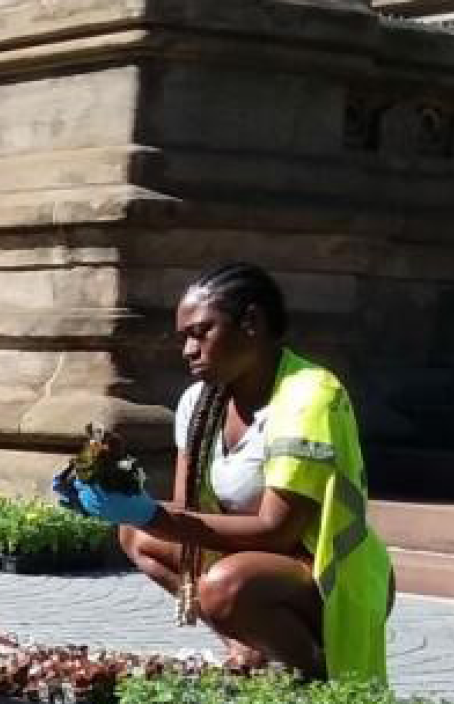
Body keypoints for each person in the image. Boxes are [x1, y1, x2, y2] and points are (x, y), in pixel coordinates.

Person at [65, 262, 393, 682]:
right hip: (248, 562)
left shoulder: (309, 397)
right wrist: (116, 495)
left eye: (202, 332)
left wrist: (152, 513)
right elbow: (185, 511)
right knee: (137, 535)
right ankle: (246, 650)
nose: (188, 350)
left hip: (328, 574)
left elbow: (279, 531)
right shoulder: (199, 403)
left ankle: (318, 679)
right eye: (184, 337)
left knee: (222, 585)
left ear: (251, 323)